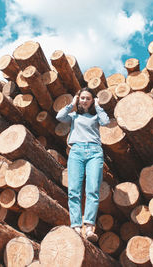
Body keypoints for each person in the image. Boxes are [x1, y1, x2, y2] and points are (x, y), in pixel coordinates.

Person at [56, 87, 110, 242]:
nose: (85, 100)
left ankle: (89, 227)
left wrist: (98, 106)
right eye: (82, 98)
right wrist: (71, 103)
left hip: (94, 152)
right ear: (79, 99)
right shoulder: (73, 116)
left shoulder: (95, 116)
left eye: (88, 98)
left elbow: (106, 121)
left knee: (92, 189)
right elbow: (60, 116)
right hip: (76, 152)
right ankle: (76, 226)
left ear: (92, 100)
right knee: (74, 190)